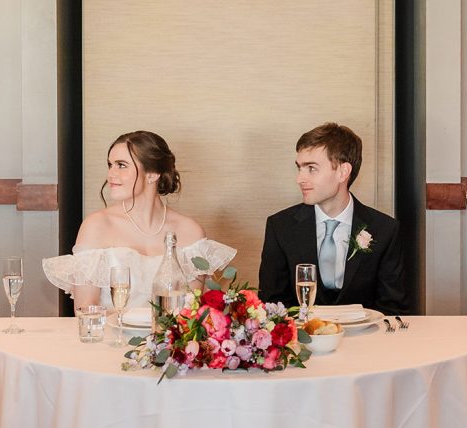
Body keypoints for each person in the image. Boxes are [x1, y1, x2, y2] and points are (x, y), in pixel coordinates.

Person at [44, 130, 235, 309]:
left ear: (152, 174)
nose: (111, 174)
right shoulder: (97, 226)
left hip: (166, 342)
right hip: (111, 340)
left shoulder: (189, 231)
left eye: (121, 165)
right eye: (110, 165)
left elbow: (192, 311)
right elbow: (86, 309)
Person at [258, 122, 408, 315]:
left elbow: (394, 308)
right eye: (299, 168)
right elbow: (271, 304)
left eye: (311, 168)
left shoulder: (385, 229)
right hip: (304, 341)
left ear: (343, 172)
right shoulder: (280, 227)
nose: (300, 179)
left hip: (366, 340)